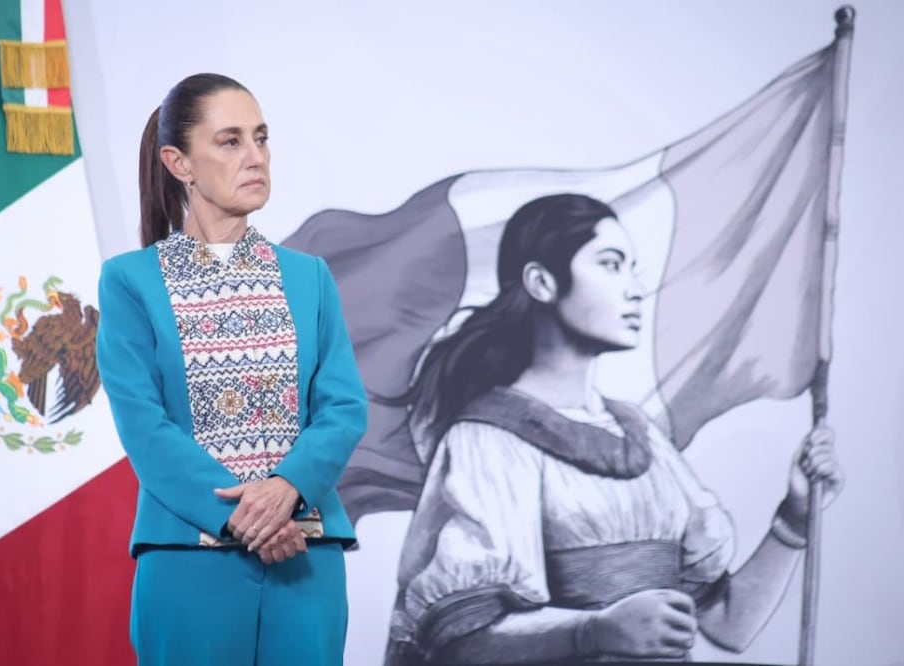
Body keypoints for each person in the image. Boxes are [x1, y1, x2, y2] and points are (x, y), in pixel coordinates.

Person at [384, 194, 844, 664]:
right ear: (541, 282)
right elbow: (461, 644)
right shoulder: (489, 440)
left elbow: (728, 624)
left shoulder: (641, 436)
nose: (635, 289)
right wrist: (593, 631)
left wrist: (795, 518)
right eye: (611, 264)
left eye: (632, 268)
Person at [95, 73, 367, 666]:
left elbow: (344, 408)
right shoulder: (130, 281)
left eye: (261, 138)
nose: (255, 157)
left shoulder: (309, 276)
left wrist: (287, 490)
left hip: (305, 558)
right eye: (231, 141)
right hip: (188, 561)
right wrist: (249, 517)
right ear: (179, 163)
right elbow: (144, 426)